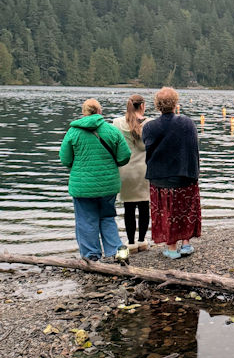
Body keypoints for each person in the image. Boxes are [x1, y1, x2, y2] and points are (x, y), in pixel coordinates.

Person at [59, 99, 131, 261]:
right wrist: (112, 164)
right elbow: (125, 156)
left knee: (86, 220)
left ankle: (91, 256)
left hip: (82, 186)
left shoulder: (73, 132)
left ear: (83, 112)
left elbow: (65, 159)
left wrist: (77, 166)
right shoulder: (111, 130)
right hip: (108, 184)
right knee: (107, 217)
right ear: (100, 111)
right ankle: (116, 251)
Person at [143, 87, 201, 259]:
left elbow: (147, 147)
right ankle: (186, 244)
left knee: (167, 212)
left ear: (157, 105)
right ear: (175, 103)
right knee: (186, 210)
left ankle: (171, 248)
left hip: (161, 178)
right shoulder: (188, 123)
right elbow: (193, 149)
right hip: (185, 175)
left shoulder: (150, 127)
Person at [113, 94, 151, 254]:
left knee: (128, 207)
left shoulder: (117, 123)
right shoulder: (149, 124)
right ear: (142, 106)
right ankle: (142, 240)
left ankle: (130, 242)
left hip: (125, 170)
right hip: (144, 170)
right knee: (144, 206)